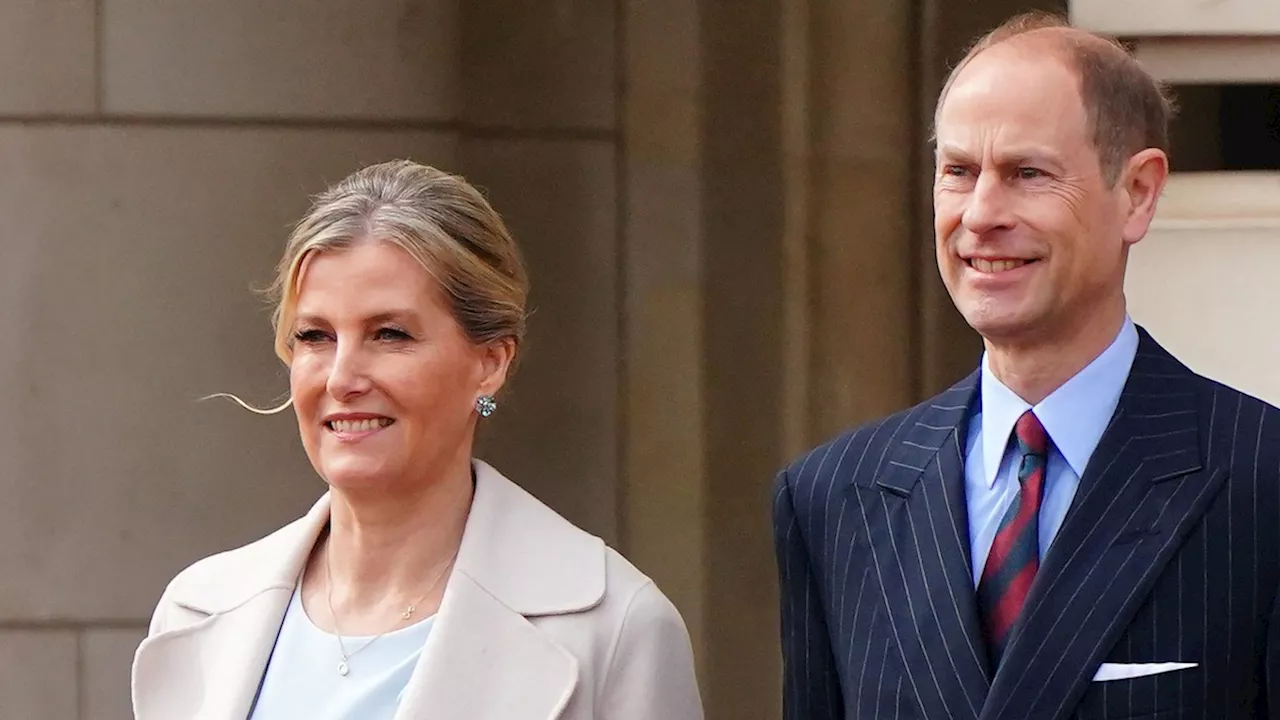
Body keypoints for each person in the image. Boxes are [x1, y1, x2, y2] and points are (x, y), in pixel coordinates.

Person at [773, 12, 1280, 720]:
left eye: (1027, 173)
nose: (980, 214)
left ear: (1138, 193)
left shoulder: (1262, 481)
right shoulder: (834, 498)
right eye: (958, 171)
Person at [131, 160, 704, 719]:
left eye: (389, 334)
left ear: (490, 362)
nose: (342, 379)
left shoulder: (614, 629)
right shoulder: (201, 612)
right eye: (315, 336)